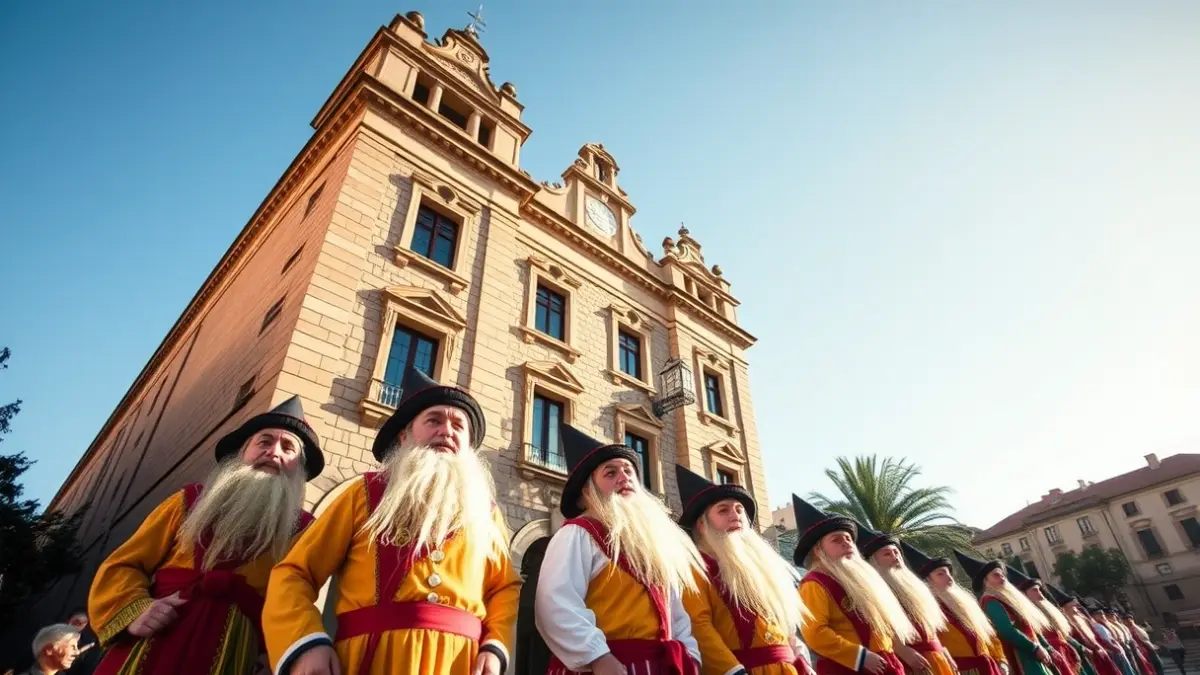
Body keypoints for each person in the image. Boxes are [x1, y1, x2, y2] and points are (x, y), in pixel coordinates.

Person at [263, 368, 520, 675]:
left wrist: (495, 645)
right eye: (434, 420)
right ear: (405, 435)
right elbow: (294, 573)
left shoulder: (486, 512)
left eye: (458, 425)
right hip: (368, 660)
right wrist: (306, 642)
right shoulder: (364, 493)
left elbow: (503, 588)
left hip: (461, 665)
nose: (447, 431)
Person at [88, 396, 323, 675]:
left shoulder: (306, 529)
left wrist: (277, 654)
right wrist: (134, 609)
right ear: (241, 454)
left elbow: (296, 600)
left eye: (288, 447)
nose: (274, 452)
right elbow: (125, 564)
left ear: (299, 467)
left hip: (235, 656)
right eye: (264, 441)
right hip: (152, 641)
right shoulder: (189, 500)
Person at [534, 424, 704, 674]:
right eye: (610, 473)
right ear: (588, 491)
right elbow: (555, 603)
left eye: (628, 471)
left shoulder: (656, 545)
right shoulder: (578, 534)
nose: (623, 477)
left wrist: (691, 657)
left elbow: (677, 615)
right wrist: (598, 656)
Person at [675, 464, 813, 675]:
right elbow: (698, 625)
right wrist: (732, 671)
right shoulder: (697, 568)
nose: (735, 515)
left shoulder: (764, 568)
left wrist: (800, 658)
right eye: (724, 510)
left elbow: (785, 625)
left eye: (739, 510)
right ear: (702, 526)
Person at [792, 495, 913, 675]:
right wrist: (859, 656)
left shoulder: (861, 581)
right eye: (836, 539)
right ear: (818, 550)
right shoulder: (814, 583)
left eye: (848, 538)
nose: (846, 542)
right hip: (849, 668)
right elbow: (815, 633)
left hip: (886, 664)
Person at [854, 523, 955, 675]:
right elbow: (876, 627)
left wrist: (943, 650)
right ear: (874, 562)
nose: (895, 556)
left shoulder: (915, 587)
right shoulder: (872, 590)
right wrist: (902, 651)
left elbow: (929, 628)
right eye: (887, 554)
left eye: (896, 552)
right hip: (910, 661)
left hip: (937, 658)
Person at [899, 541, 1008, 675]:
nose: (949, 577)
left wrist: (1001, 660)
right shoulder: (928, 610)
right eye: (941, 574)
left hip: (989, 667)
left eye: (949, 572)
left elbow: (989, 636)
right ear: (928, 581)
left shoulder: (967, 604)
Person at [952, 551, 1056, 675]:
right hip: (1021, 657)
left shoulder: (1005, 599)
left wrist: (1043, 646)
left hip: (1031, 653)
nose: (1002, 578)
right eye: (996, 575)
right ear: (986, 581)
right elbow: (1006, 630)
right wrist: (1034, 648)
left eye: (1002, 575)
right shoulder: (990, 601)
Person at [1004, 566, 1089, 675]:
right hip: (1051, 657)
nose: (1040, 595)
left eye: (1040, 590)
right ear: (1024, 594)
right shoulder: (1025, 615)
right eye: (1035, 590)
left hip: (1065, 655)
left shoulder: (1045, 612)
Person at [1043, 585, 1121, 675]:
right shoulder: (1068, 626)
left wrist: (1102, 647)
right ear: (1065, 609)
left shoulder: (1084, 622)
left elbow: (1096, 638)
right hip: (1084, 659)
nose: (1076, 610)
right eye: (1073, 607)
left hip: (1099, 656)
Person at [62, 610, 100, 675]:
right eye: (76, 622)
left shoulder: (86, 645)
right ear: (68, 620)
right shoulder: (53, 635)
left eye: (81, 624)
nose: (77, 625)